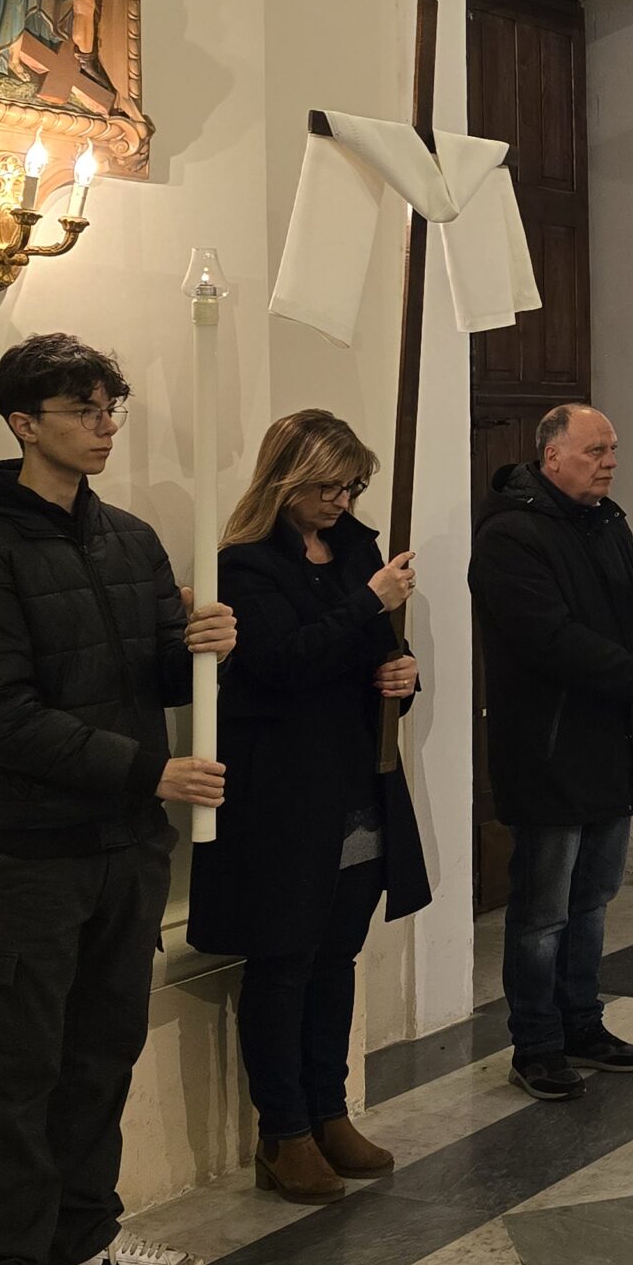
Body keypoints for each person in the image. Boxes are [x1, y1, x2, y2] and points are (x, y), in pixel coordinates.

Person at [0, 335, 234, 1265]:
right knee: (20, 1065)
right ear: (24, 422)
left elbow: (153, 676)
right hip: (38, 847)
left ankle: (83, 1234)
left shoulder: (131, 539)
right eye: (84, 410)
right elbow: (1, 719)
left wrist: (200, 650)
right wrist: (149, 771)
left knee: (104, 1047)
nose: (106, 428)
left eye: (113, 409)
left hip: (127, 842)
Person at [187, 411, 431, 1205]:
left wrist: (403, 671)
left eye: (350, 486)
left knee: (337, 955)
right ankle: (283, 1130)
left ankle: (331, 1110)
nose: (339, 499)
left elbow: (375, 652)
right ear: (287, 476)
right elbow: (284, 662)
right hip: (285, 790)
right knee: (284, 960)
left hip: (359, 780)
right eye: (326, 485)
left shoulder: (358, 549)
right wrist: (369, 605)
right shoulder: (244, 565)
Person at [468, 403, 633, 1104]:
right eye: (596, 450)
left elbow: (632, 605)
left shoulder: (605, 520)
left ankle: (581, 1023)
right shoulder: (511, 537)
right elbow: (553, 641)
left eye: (613, 448)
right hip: (548, 747)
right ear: (551, 457)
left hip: (610, 743)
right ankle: (535, 1043)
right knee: (542, 912)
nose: (610, 461)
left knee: (594, 900)